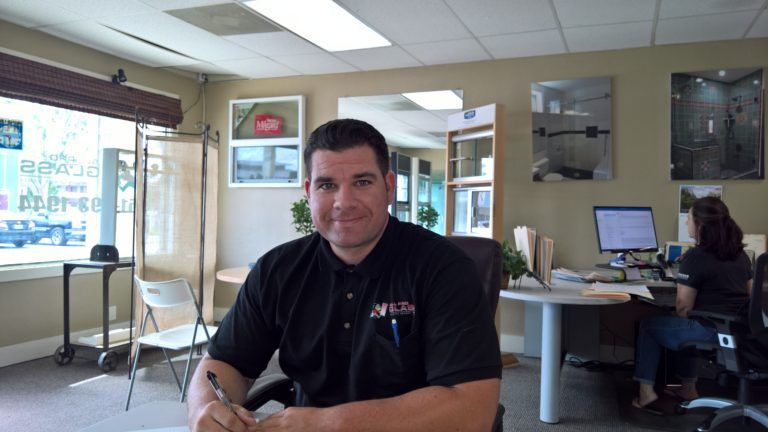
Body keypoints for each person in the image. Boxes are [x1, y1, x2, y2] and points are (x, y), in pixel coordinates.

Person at [188, 119, 502, 431]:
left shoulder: (444, 268)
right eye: (327, 185)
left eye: (362, 182)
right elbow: (223, 362)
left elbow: (472, 409)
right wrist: (206, 409)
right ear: (309, 192)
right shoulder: (277, 269)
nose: (344, 202)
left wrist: (330, 423)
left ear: (389, 187)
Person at [632, 196, 752, 413]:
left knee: (650, 326)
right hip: (740, 330)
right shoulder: (741, 254)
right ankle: (687, 388)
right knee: (683, 323)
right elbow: (750, 296)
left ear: (700, 225)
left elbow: (683, 306)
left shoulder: (696, 256)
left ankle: (646, 394)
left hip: (710, 330)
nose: (687, 223)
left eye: (689, 219)